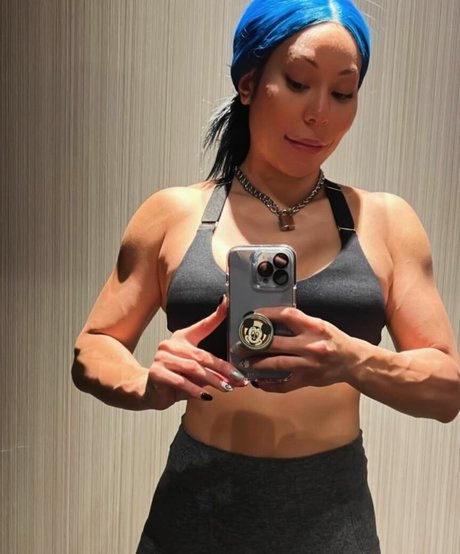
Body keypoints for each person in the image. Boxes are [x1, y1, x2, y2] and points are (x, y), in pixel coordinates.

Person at [71, 0, 460, 552]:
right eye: (298, 83)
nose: (319, 114)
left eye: (342, 92)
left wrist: (353, 360)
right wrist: (144, 384)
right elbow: (94, 345)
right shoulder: (174, 213)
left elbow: (447, 390)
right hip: (196, 512)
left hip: (332, 517)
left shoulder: (387, 222)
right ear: (249, 82)